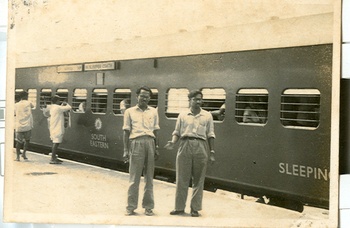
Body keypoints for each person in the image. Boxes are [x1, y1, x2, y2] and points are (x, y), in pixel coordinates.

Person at [164, 90, 216, 217]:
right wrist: (173, 142)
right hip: (184, 145)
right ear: (190, 100)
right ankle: (179, 208)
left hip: (201, 146)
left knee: (198, 179)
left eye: (200, 99)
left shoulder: (207, 116)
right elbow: (176, 132)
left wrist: (212, 151)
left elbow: (210, 134)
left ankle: (195, 208)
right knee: (182, 178)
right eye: (195, 99)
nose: (198, 102)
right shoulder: (182, 115)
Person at [123, 86, 160, 216]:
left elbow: (156, 130)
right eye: (142, 95)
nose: (144, 98)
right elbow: (126, 131)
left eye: (147, 96)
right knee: (134, 177)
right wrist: (125, 149)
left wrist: (156, 147)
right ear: (137, 96)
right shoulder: (129, 111)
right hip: (136, 143)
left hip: (150, 142)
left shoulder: (154, 112)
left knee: (149, 178)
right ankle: (130, 206)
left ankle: (148, 207)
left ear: (150, 98)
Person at [43, 95, 72, 164]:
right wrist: (65, 103)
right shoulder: (58, 108)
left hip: (53, 126)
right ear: (57, 101)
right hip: (57, 127)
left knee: (55, 142)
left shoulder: (52, 107)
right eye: (59, 100)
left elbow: (46, 110)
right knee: (56, 143)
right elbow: (69, 107)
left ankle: (54, 157)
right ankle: (52, 158)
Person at [14, 91, 34, 161]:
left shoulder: (16, 105)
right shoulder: (29, 103)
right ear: (26, 96)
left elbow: (14, 113)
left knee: (18, 142)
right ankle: (24, 154)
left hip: (19, 126)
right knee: (27, 140)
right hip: (27, 126)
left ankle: (17, 157)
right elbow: (33, 106)